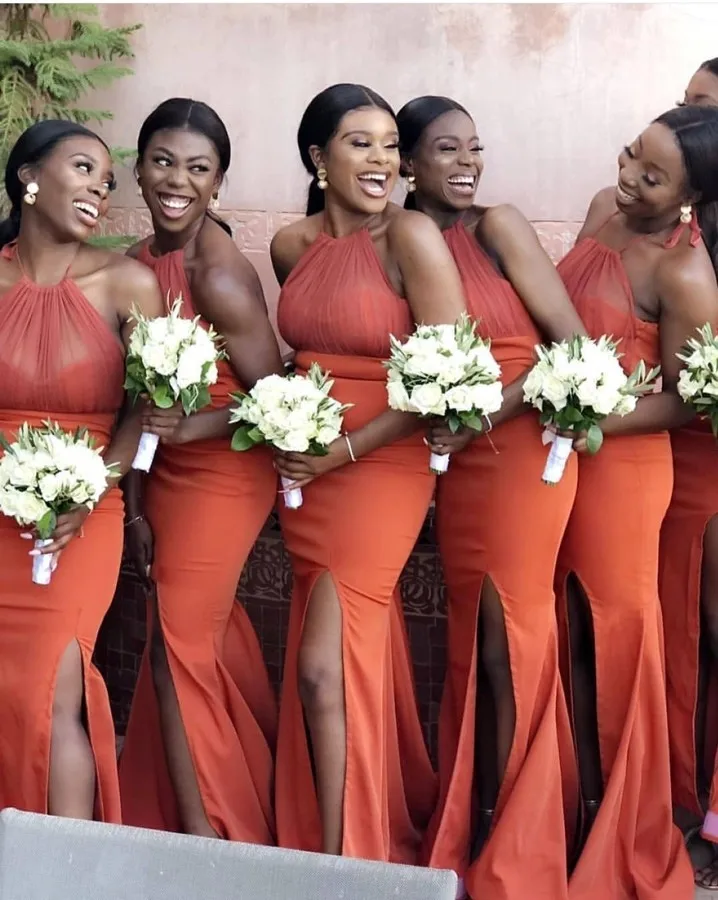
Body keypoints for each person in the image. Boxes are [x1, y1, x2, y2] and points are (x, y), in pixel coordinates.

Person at [395, 95, 585, 900]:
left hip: (521, 451)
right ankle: (476, 820)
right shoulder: (395, 242)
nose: (468, 162)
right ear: (407, 163)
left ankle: (524, 837)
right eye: (447, 149)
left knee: (514, 635)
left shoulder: (498, 226)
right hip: (452, 463)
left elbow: (570, 347)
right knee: (474, 638)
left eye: (474, 147)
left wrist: (483, 417)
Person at [270, 82, 466, 863]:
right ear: (318, 158)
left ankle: (343, 861)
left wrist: (342, 451)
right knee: (343, 658)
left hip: (380, 468)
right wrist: (290, 419)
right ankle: (353, 829)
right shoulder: (291, 245)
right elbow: (305, 354)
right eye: (361, 143)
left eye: (390, 144)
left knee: (323, 671)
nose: (382, 159)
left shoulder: (411, 237)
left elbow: (449, 377)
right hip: (305, 470)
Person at [556, 104, 718, 899]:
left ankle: (626, 822)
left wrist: (593, 418)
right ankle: (576, 802)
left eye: (652, 176)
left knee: (615, 632)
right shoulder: (601, 209)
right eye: (629, 155)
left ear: (692, 198)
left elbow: (689, 400)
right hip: (559, 455)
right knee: (567, 627)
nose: (627, 178)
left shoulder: (684, 273)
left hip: (622, 467)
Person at [118, 98, 282, 842]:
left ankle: (209, 839)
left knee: (174, 648)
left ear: (218, 183)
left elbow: (276, 403)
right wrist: (135, 505)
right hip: (161, 471)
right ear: (139, 170)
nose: (176, 181)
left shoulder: (219, 275)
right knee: (188, 636)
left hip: (223, 471)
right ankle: (247, 786)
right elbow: (135, 401)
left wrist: (191, 428)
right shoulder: (134, 265)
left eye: (196, 168)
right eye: (161, 161)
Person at [0, 120, 164, 820]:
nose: (99, 187)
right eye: (83, 168)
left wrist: (91, 492)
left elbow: (145, 412)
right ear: (28, 178)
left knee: (51, 693)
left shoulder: (129, 283)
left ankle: (62, 866)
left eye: (107, 179)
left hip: (84, 515)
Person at [660, 73, 718, 890]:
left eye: (704, 110)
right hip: (661, 452)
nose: (687, 116)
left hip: (708, 451)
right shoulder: (661, 219)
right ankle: (674, 799)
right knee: (677, 635)